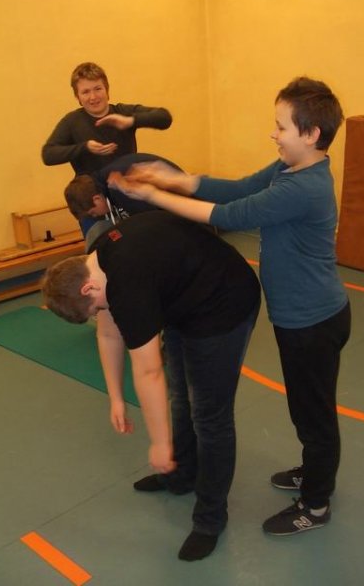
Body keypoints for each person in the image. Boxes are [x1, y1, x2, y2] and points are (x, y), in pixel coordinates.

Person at [107, 76, 352, 537]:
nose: (273, 134)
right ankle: (313, 470)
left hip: (314, 321)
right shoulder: (289, 169)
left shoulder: (304, 188)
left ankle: (316, 502)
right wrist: (174, 179)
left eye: (281, 126)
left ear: (311, 134)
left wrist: (155, 196)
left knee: (313, 413)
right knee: (305, 408)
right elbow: (237, 188)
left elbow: (230, 215)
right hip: (301, 318)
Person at [42, 211, 261, 561]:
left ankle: (210, 518)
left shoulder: (127, 285)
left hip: (224, 303)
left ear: (87, 287)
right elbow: (109, 333)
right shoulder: (98, 261)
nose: (99, 314)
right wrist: (115, 397)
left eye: (94, 309)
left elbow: (149, 372)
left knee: (210, 417)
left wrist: (160, 444)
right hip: (182, 299)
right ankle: (182, 474)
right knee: (180, 397)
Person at [42, 62, 172, 176]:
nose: (93, 97)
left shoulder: (122, 112)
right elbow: (48, 155)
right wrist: (85, 147)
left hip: (127, 185)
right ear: (78, 97)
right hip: (93, 190)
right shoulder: (72, 121)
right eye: (85, 92)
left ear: (107, 90)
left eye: (98, 89)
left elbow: (164, 117)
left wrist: (130, 121)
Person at [63, 152, 183, 249]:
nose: (96, 216)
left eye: (93, 213)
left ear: (97, 199)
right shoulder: (106, 179)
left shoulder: (119, 188)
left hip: (182, 211)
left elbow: (149, 224)